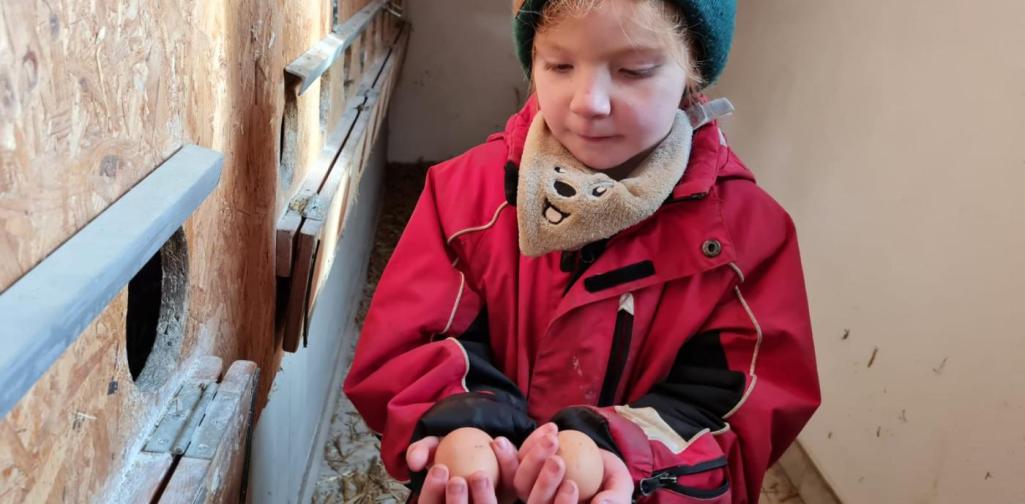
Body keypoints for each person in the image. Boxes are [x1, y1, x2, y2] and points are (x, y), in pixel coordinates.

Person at [343, 0, 821, 502]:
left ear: (692, 74)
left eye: (633, 70)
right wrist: (463, 426)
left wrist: (619, 458)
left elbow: (739, 416)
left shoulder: (747, 239)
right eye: (559, 65)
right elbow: (407, 348)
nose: (588, 101)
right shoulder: (464, 196)